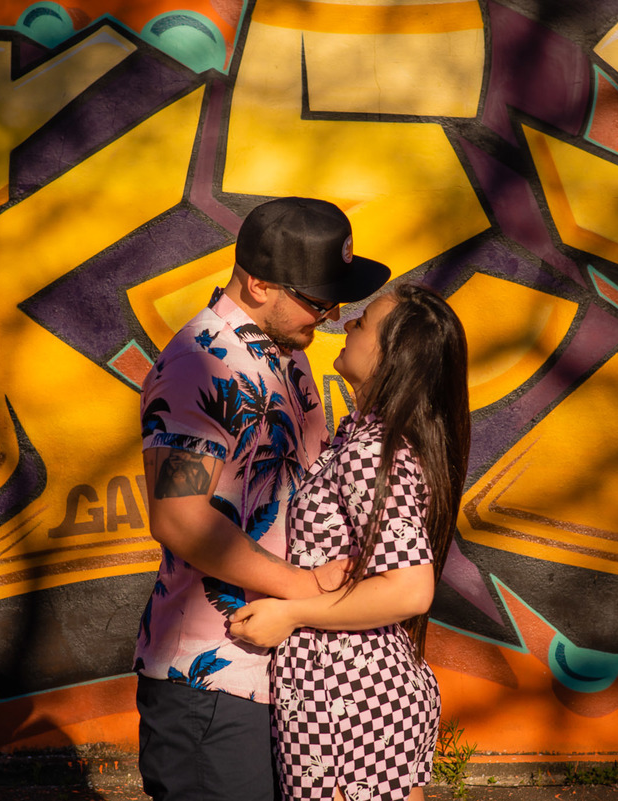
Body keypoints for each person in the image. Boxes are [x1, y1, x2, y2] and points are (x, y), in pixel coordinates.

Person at [134, 196, 391, 801]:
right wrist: (305, 588)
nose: (332, 317)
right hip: (210, 677)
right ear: (258, 284)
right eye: (317, 300)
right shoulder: (198, 366)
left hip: (277, 667)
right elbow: (179, 517)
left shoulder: (287, 357)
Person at [228, 283, 471, 801]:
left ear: (392, 357)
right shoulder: (360, 440)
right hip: (342, 691)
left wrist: (290, 613)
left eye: (362, 323)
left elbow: (409, 590)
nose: (344, 324)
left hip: (349, 699)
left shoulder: (373, 453)